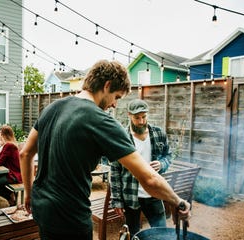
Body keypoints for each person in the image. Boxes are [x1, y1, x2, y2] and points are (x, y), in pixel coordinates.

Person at [19, 60, 190, 240]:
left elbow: (25, 153)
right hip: (70, 218)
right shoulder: (100, 120)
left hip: (42, 210)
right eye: (117, 96)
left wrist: (29, 194)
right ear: (107, 86)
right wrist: (178, 202)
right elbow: (148, 178)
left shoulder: (52, 107)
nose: (115, 105)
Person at [110, 99, 172, 237]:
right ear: (129, 115)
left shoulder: (158, 133)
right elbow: (114, 172)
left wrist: (162, 164)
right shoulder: (121, 138)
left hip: (155, 193)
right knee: (134, 234)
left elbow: (168, 156)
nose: (141, 121)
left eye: (144, 117)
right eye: (137, 118)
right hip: (131, 196)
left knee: (161, 233)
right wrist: (117, 201)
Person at [0, 125, 22, 206]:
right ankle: (10, 195)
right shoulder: (10, 144)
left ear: (3, 135)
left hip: (14, 175)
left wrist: (0, 146)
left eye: (0, 134)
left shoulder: (8, 145)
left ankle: (10, 197)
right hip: (9, 172)